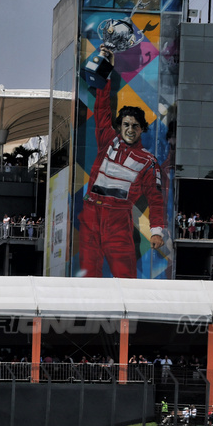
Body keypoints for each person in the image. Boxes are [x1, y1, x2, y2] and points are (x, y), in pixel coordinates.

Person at [79, 49, 169, 278]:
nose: (130, 129)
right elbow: (101, 108)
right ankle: (86, 313)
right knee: (88, 275)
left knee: (125, 276)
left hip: (118, 219)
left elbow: (156, 200)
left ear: (142, 130)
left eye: (135, 126)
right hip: (91, 214)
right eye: (126, 125)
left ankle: (127, 314)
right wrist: (106, 70)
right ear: (119, 126)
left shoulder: (148, 162)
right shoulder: (107, 140)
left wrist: (157, 232)